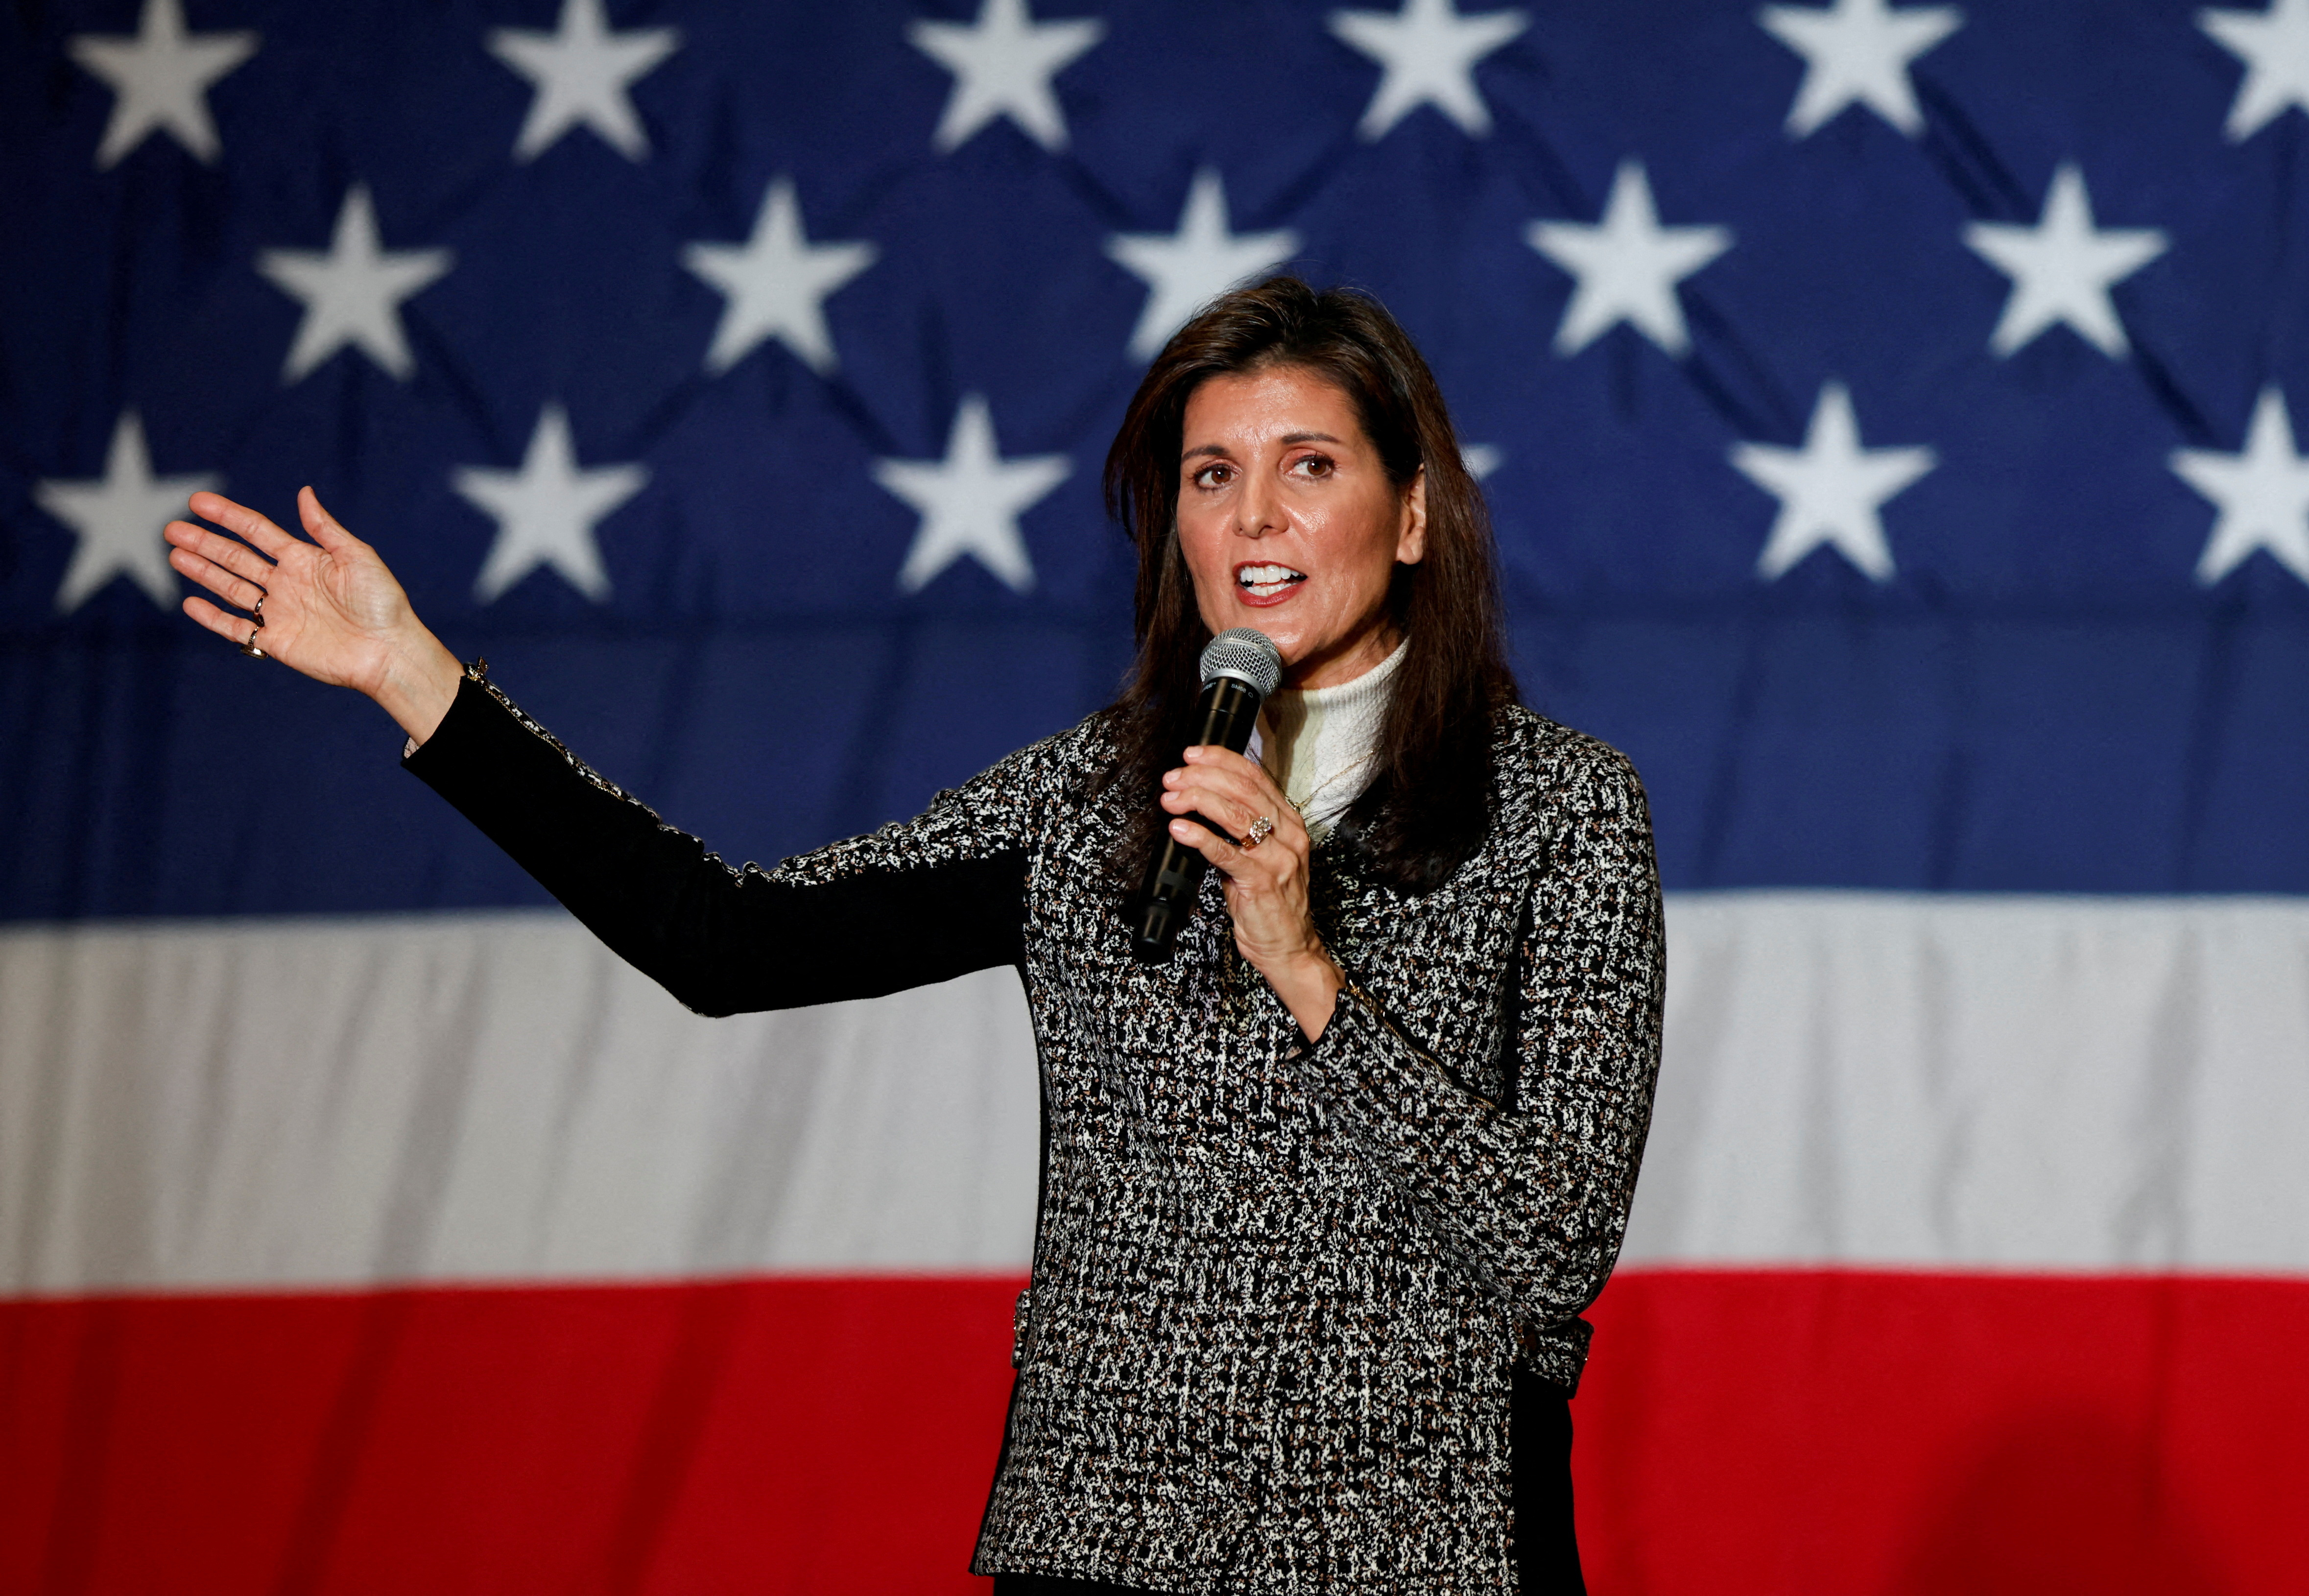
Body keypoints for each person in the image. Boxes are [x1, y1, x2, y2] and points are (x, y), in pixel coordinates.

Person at [165, 277, 1664, 1595]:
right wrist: (425, 685)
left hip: (1426, 1553)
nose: (1255, 516)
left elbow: (1552, 1247)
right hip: (1103, 1545)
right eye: (1211, 474)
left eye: (1308, 466)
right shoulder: (1090, 802)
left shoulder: (1565, 815)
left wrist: (1309, 971)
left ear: (1411, 515)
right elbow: (727, 939)